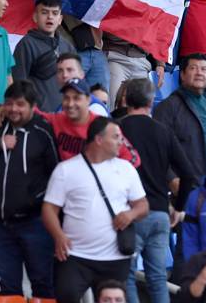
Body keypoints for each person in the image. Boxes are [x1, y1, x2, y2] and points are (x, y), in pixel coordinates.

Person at [41, 117, 149, 303]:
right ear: (99, 139)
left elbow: (143, 206)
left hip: (115, 257)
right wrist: (58, 235)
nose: (121, 142)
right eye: (116, 137)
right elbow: (49, 209)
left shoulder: (126, 168)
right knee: (65, 296)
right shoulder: (66, 169)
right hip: (74, 256)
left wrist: (130, 214)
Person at [118, 78, 198, 303]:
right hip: (161, 214)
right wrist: (178, 208)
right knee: (157, 278)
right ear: (152, 101)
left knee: (128, 276)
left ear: (125, 99)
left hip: (130, 214)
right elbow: (189, 175)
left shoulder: (117, 129)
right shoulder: (163, 131)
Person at [0, 80, 57, 298]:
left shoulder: (43, 131)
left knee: (43, 284)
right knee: (9, 288)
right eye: (9, 103)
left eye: (20, 104)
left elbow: (56, 174)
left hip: (35, 223)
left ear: (32, 106)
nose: (13, 109)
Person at [153, 54, 206, 179]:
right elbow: (156, 147)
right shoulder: (168, 107)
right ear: (182, 74)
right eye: (193, 68)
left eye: (204, 69)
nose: (199, 73)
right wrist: (172, 179)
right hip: (186, 188)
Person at [12, 0, 75, 112]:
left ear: (60, 19)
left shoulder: (68, 47)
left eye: (55, 13)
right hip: (38, 115)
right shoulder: (26, 44)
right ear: (35, 17)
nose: (50, 17)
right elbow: (18, 83)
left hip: (65, 115)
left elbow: (76, 83)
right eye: (44, 12)